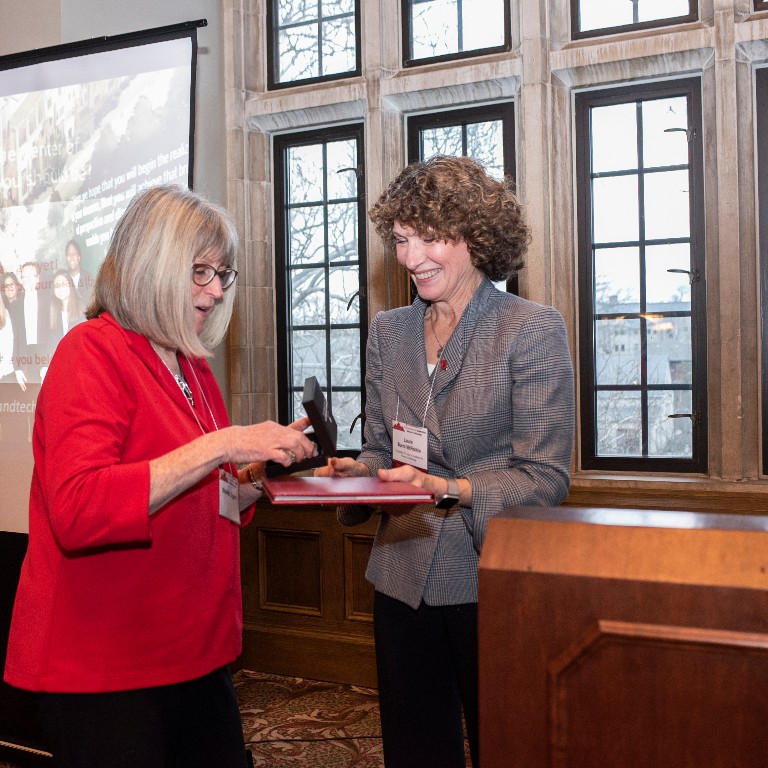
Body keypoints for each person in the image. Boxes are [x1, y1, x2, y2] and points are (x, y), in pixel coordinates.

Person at [4, 184, 316, 768]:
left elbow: (202, 492)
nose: (217, 289)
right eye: (200, 271)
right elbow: (79, 508)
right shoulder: (89, 353)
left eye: (223, 273)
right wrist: (224, 442)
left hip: (193, 653)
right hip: (109, 665)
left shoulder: (191, 366)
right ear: (152, 265)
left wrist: (260, 476)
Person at [316, 155, 575, 767]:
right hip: (400, 575)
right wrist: (361, 472)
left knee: (506, 746)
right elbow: (384, 447)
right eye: (402, 241)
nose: (411, 259)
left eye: (430, 238)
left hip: (488, 578)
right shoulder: (388, 332)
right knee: (415, 750)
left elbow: (545, 478)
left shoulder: (529, 329)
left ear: (477, 237)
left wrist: (443, 486)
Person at [12, 261, 52, 389]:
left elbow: (53, 334)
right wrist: (17, 368)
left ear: (38, 279)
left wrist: (47, 363)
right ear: (21, 281)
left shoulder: (48, 301)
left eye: (32, 276)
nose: (28, 280)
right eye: (25, 277)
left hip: (45, 358)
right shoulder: (15, 305)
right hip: (25, 360)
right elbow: (16, 338)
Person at [48, 268, 85, 345]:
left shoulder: (83, 311)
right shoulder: (52, 314)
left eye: (64, 284)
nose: (60, 288)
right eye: (57, 285)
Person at [64, 238, 95, 304]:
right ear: (66, 258)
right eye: (68, 254)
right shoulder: (63, 279)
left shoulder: (89, 278)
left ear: (79, 257)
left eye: (74, 253)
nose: (71, 257)